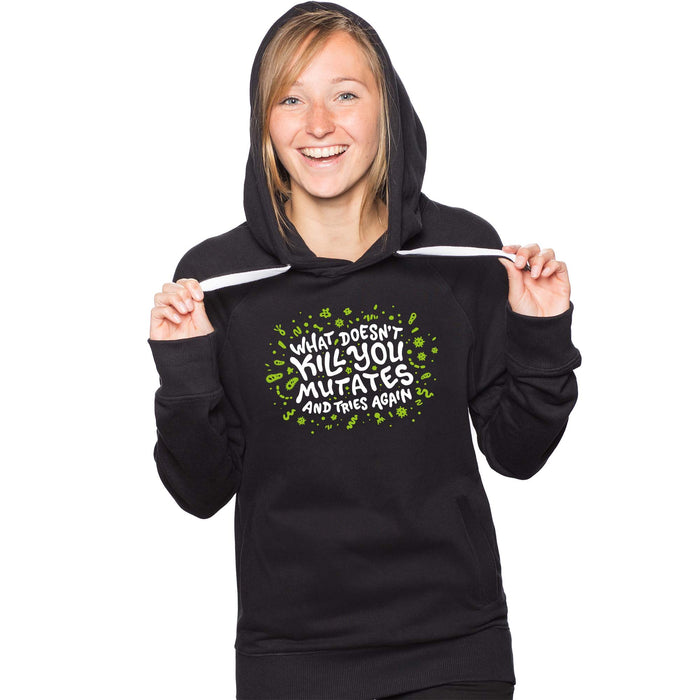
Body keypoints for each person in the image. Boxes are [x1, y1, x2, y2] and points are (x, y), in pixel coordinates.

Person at [147, 2, 582, 699]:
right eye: (291, 99)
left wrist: (540, 333)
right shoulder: (218, 279)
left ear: (388, 110)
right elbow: (200, 492)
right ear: (264, 122)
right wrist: (186, 378)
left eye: (345, 95)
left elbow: (518, 454)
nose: (319, 125)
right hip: (289, 659)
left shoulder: (462, 254)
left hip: (453, 652)